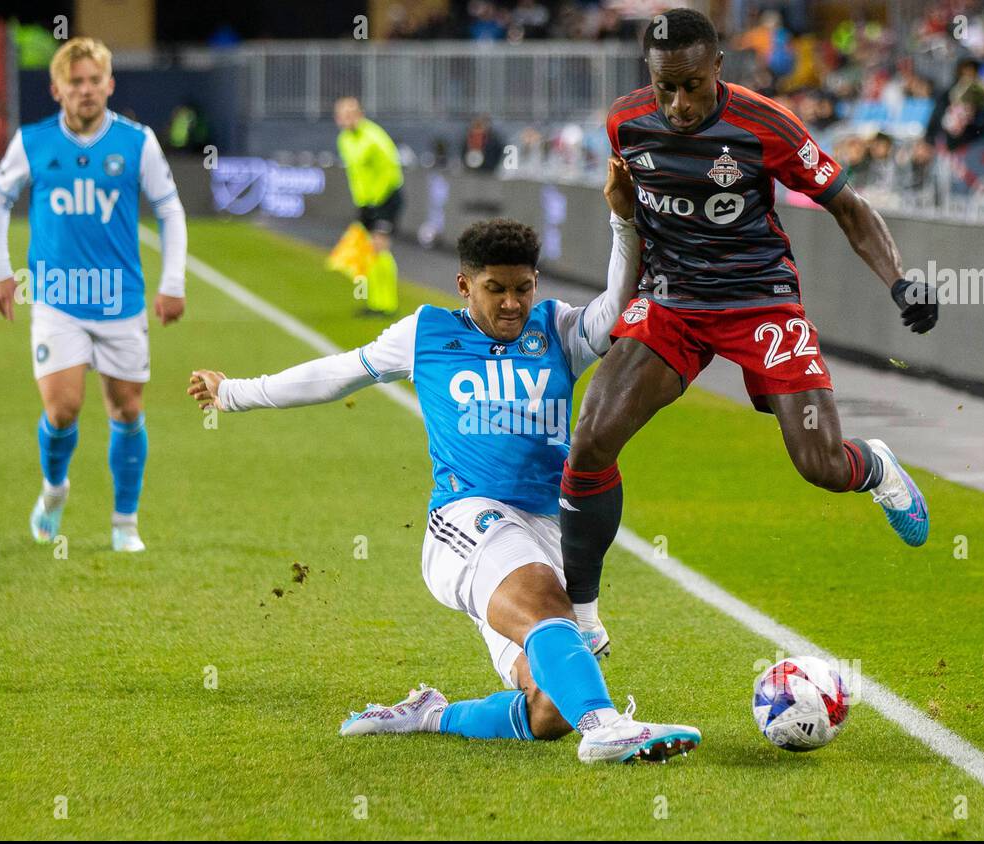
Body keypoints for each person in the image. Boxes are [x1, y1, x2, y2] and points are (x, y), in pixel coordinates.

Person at [186, 160, 702, 764]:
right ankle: (608, 728)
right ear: (464, 286)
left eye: (522, 288)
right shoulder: (426, 333)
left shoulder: (557, 329)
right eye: (495, 289)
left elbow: (617, 306)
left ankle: (431, 715)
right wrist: (235, 392)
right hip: (466, 520)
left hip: (545, 528)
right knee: (549, 611)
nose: (512, 304)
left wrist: (622, 218)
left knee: (551, 708)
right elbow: (335, 373)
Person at [558, 8, 936, 643]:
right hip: (673, 301)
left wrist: (900, 281)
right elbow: (629, 211)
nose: (678, 104)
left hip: (761, 300)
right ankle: (584, 619)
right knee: (590, 440)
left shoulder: (766, 126)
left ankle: (876, 467)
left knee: (819, 464)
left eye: (692, 86)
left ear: (718, 69)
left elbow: (848, 205)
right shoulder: (625, 123)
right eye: (664, 87)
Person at [0, 37, 187, 552]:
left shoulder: (137, 142)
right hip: (56, 299)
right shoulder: (33, 142)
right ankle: (54, 490)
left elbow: (170, 209)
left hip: (121, 300)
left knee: (127, 410)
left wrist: (173, 282)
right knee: (63, 409)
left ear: (110, 84)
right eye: (76, 82)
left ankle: (124, 524)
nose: (87, 90)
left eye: (96, 80)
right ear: (56, 89)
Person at [334, 96, 403, 317]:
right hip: (366, 202)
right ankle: (375, 302)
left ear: (360, 114)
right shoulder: (344, 140)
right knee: (368, 251)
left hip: (385, 199)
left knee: (379, 248)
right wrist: (363, 202)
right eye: (343, 115)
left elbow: (391, 171)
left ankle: (388, 304)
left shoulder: (374, 138)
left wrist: (377, 202)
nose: (347, 119)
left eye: (351, 113)